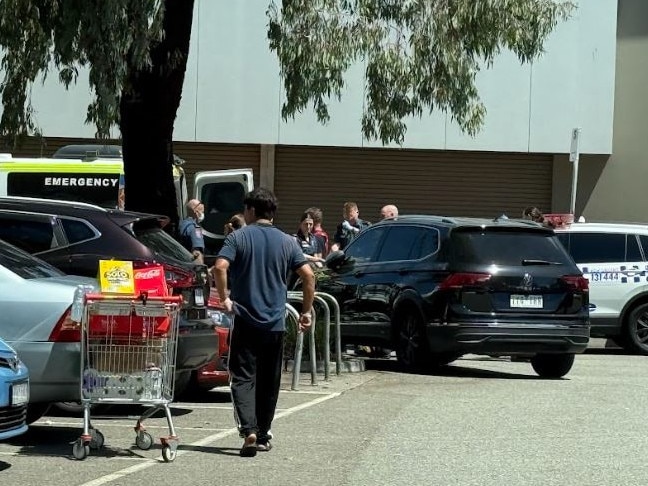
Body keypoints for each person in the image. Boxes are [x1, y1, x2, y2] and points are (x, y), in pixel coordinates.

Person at [213, 187, 315, 457]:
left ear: (250, 210)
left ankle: (249, 431)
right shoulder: (288, 242)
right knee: (269, 380)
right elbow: (308, 276)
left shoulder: (238, 237)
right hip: (275, 322)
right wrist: (306, 311)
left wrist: (225, 298)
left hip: (246, 320)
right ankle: (264, 432)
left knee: (243, 377)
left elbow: (220, 267)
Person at [178, 198, 206, 264]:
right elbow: (196, 253)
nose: (202, 213)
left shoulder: (182, 224)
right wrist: (201, 270)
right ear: (195, 211)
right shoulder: (195, 229)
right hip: (191, 265)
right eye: (202, 211)